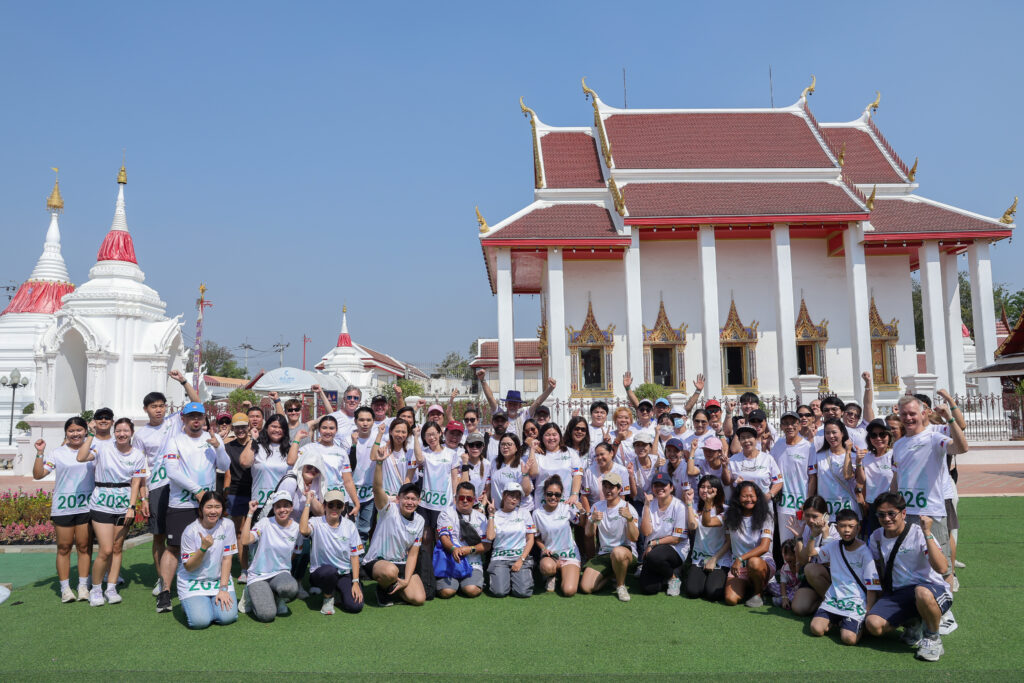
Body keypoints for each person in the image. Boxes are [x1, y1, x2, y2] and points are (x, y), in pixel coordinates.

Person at [159, 402, 230, 614]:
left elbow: (225, 466)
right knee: (173, 547)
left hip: (207, 506)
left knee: (206, 546)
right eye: (191, 416)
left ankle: (200, 586)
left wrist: (218, 446)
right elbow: (171, 471)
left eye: (199, 416)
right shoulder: (174, 441)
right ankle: (164, 591)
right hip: (181, 503)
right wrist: (197, 490)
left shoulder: (212, 440)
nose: (196, 420)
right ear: (184, 419)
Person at [865, 492, 953, 662]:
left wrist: (927, 532)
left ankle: (933, 638)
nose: (887, 518)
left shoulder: (919, 533)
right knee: (873, 625)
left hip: (930, 588)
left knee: (921, 592)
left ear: (903, 513)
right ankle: (914, 623)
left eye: (892, 514)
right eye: (881, 514)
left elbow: (942, 567)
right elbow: (877, 570)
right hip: (900, 593)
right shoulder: (876, 537)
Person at [134, 369, 198, 599]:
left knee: (185, 533)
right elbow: (140, 469)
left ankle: (185, 574)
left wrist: (183, 381)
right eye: (154, 406)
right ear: (146, 410)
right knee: (159, 535)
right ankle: (163, 579)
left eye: (161, 405)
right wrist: (143, 496)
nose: (158, 409)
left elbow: (196, 403)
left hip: (180, 483)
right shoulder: (141, 435)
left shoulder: (174, 421)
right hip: (157, 487)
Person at [891, 394, 966, 592]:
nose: (908, 418)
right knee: (913, 562)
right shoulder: (898, 445)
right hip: (906, 513)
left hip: (931, 512)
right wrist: (893, 506)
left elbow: (961, 447)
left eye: (913, 413)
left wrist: (950, 418)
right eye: (904, 414)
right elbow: (898, 479)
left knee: (943, 567)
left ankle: (945, 613)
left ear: (923, 413)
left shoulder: (934, 437)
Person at [78, 415, 145, 606]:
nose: (122, 434)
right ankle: (96, 589)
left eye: (125, 431)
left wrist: (132, 507)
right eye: (118, 431)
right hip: (101, 503)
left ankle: (111, 587)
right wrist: (91, 434)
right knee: (105, 549)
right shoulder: (102, 447)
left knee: (117, 548)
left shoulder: (138, 455)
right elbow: (81, 457)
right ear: (114, 432)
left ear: (131, 433)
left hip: (124, 505)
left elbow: (135, 483)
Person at [33, 417, 95, 603]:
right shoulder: (57, 453)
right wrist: (40, 453)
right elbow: (38, 475)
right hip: (63, 507)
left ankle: (83, 586)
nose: (75, 434)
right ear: (66, 433)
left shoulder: (94, 450)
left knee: (84, 547)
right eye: (71, 431)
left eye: (79, 430)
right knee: (64, 547)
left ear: (85, 431)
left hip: (86, 505)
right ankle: (65, 588)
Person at [364, 446, 426, 607]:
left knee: (418, 599)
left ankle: (394, 586)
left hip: (401, 563)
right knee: (390, 572)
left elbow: (413, 554)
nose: (410, 502)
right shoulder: (389, 510)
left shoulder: (420, 520)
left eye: (414, 499)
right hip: (379, 562)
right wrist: (379, 463)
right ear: (398, 499)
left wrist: (406, 580)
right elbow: (377, 489)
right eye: (406, 498)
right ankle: (382, 589)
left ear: (419, 502)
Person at [809, 508, 880, 645]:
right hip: (834, 599)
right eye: (842, 526)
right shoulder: (833, 546)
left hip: (856, 602)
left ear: (858, 528)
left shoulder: (865, 552)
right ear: (837, 527)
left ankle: (852, 625)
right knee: (816, 629)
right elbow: (811, 552)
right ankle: (840, 621)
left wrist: (868, 612)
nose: (847, 530)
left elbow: (872, 586)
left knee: (848, 639)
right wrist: (814, 534)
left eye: (851, 526)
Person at [411, 420, 462, 599]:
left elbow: (455, 477)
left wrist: (455, 498)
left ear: (440, 433)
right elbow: (418, 459)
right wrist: (416, 437)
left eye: (434, 434)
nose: (431, 438)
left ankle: (445, 573)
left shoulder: (451, 454)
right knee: (426, 538)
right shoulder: (424, 452)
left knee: (443, 538)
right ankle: (428, 574)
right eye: (428, 435)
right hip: (426, 503)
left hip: (445, 504)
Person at [704, 480, 773, 607]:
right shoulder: (730, 515)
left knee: (754, 562)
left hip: (759, 563)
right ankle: (749, 586)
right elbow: (707, 522)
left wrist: (740, 559)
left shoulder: (765, 517)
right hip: (738, 567)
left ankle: (759, 593)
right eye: (745, 496)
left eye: (752, 496)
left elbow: (764, 547)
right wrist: (708, 502)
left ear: (757, 497)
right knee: (730, 600)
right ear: (737, 497)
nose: (749, 499)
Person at [176, 492, 238, 629]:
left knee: (227, 617)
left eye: (217, 507)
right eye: (209, 507)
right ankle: (191, 604)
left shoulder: (228, 525)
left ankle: (206, 604)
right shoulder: (190, 531)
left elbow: (227, 559)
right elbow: (189, 567)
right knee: (200, 622)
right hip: (193, 581)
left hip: (217, 581)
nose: (213, 511)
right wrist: (203, 549)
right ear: (201, 509)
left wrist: (223, 589)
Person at [239, 492, 300, 621]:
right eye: (278, 506)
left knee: (290, 588)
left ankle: (275, 595)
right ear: (274, 508)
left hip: (280, 573)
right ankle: (250, 593)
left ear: (291, 507)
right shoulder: (265, 523)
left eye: (286, 505)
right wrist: (250, 513)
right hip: (258, 575)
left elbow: (295, 553)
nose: (282, 509)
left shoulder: (297, 528)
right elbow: (245, 541)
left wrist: (283, 566)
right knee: (267, 615)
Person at [302, 489, 364, 615]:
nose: (334, 509)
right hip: (321, 573)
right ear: (324, 506)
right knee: (330, 572)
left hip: (343, 573)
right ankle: (328, 598)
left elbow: (354, 556)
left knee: (355, 606)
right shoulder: (316, 522)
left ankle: (338, 590)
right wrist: (308, 502)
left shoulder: (350, 526)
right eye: (330, 505)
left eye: (339, 505)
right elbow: (303, 530)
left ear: (343, 508)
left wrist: (355, 582)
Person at [580, 472, 639, 602]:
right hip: (604, 554)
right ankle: (612, 573)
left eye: (611, 487)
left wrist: (629, 519)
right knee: (586, 587)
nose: (608, 490)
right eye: (605, 486)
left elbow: (634, 538)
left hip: (625, 552)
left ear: (619, 489)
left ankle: (620, 586)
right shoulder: (597, 506)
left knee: (617, 552)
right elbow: (589, 534)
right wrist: (591, 521)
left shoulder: (628, 508)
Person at [638, 472, 691, 596]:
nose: (660, 488)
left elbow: (677, 538)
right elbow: (646, 532)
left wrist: (653, 543)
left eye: (664, 485)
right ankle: (667, 573)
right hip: (653, 551)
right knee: (648, 589)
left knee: (654, 557)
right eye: (656, 485)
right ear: (652, 488)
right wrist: (646, 506)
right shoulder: (649, 505)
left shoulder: (679, 507)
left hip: (675, 548)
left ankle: (673, 578)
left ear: (671, 487)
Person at [436, 482, 490, 598]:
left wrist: (470, 549)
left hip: (472, 563)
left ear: (474, 500)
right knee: (446, 592)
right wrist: (453, 549)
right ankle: (456, 583)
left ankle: (467, 583)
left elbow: (486, 545)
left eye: (469, 498)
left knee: (471, 590)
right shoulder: (446, 513)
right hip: (450, 561)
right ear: (455, 498)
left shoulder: (481, 518)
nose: (465, 501)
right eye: (461, 497)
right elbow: (444, 537)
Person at [788, 495, 840, 616]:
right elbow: (803, 561)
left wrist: (821, 534)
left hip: (833, 577)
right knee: (798, 608)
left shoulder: (834, 529)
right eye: (807, 515)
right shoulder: (806, 528)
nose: (810, 520)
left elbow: (828, 562)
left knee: (810, 569)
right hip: (812, 575)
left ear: (825, 515)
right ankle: (823, 601)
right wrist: (799, 538)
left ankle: (836, 606)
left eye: (815, 516)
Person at [299, 415, 359, 516]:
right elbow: (291, 461)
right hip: (317, 501)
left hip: (338, 499)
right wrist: (297, 439)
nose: (328, 431)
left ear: (336, 430)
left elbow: (348, 480)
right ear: (319, 430)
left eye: (331, 428)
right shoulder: (308, 448)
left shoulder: (341, 452)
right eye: (324, 428)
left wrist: (356, 503)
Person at [533, 475, 583, 596]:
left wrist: (582, 512)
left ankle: (563, 573)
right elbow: (536, 537)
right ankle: (552, 575)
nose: (553, 497)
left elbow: (581, 523)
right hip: (551, 556)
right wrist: (543, 549)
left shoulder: (566, 508)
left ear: (561, 495)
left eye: (557, 494)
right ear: (544, 494)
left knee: (569, 591)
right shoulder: (537, 513)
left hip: (569, 554)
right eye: (549, 494)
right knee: (546, 567)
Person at [771, 411, 816, 542]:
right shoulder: (778, 445)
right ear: (781, 427)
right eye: (786, 424)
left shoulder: (808, 447)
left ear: (800, 425)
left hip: (801, 504)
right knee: (786, 544)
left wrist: (808, 502)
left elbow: (812, 477)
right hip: (783, 504)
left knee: (803, 542)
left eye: (793, 423)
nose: (789, 427)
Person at [240, 414, 300, 510]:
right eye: (274, 426)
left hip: (283, 506)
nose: (277, 430)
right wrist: (253, 439)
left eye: (281, 427)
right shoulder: (258, 447)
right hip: (260, 504)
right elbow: (244, 462)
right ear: (266, 428)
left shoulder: (290, 450)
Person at [684, 475, 730, 601]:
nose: (705, 490)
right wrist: (688, 504)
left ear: (717, 490)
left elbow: (728, 540)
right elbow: (693, 526)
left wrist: (714, 559)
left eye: (709, 487)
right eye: (702, 487)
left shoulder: (726, 511)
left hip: (720, 558)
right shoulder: (694, 508)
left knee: (712, 593)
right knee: (692, 591)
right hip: (700, 557)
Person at [486, 483, 535, 598]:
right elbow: (490, 537)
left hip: (519, 558)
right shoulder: (496, 515)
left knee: (523, 592)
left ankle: (518, 578)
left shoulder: (524, 513)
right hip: (499, 558)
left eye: (517, 497)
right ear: (504, 495)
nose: (514, 499)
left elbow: (530, 539)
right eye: (511, 495)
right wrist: (491, 515)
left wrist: (521, 560)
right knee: (499, 592)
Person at [222, 413, 254, 583]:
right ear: (233, 428)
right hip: (236, 491)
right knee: (240, 531)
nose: (241, 430)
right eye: (237, 427)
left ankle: (256, 566)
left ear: (249, 426)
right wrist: (226, 491)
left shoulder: (256, 443)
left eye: (243, 426)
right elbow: (226, 471)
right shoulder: (228, 447)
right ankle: (244, 569)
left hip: (255, 491)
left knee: (257, 531)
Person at [477, 369, 556, 435]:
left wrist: (550, 389)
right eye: (510, 404)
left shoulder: (524, 414)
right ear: (506, 404)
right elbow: (490, 399)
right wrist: (483, 380)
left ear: (520, 406)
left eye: (515, 404)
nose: (512, 406)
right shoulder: (501, 415)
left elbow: (538, 402)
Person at [812, 419, 860, 520]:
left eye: (834, 432)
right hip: (826, 511)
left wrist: (848, 452)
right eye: (827, 433)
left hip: (847, 509)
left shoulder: (854, 456)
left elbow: (847, 475)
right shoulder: (818, 456)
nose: (831, 436)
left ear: (842, 433)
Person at [529, 423, 582, 510]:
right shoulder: (537, 454)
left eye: (554, 435)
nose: (551, 438)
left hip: (567, 501)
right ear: (542, 437)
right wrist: (532, 449)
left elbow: (577, 475)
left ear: (560, 436)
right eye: (547, 435)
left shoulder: (570, 452)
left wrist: (574, 494)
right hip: (543, 503)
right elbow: (533, 473)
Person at [858, 418, 895, 537]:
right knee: (875, 541)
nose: (878, 438)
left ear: (889, 436)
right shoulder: (866, 457)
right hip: (872, 506)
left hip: (891, 505)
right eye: (874, 435)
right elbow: (861, 480)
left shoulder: (894, 455)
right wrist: (858, 462)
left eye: (882, 434)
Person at [728, 425, 782, 498]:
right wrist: (737, 485)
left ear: (755, 439)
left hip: (764, 505)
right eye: (743, 438)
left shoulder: (767, 459)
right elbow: (729, 483)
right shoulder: (733, 460)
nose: (746, 440)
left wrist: (769, 495)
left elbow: (778, 481)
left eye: (749, 437)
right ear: (739, 441)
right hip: (741, 505)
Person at [487, 433, 534, 510]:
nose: (505, 447)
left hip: (519, 511)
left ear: (516, 448)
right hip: (499, 511)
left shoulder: (521, 465)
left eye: (509, 444)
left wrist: (525, 474)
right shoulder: (494, 462)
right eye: (502, 444)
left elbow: (526, 492)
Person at [459, 432, 490, 501]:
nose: (475, 448)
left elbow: (488, 490)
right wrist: (465, 464)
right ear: (467, 446)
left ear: (483, 447)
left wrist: (481, 507)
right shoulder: (460, 462)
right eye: (471, 445)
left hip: (478, 505)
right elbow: (463, 487)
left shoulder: (487, 464)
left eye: (478, 445)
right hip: (463, 502)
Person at [775, 539, 799, 610]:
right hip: (790, 589)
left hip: (800, 590)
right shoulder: (785, 567)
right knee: (772, 586)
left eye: (791, 554)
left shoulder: (801, 565)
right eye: (785, 554)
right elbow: (783, 584)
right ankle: (786, 599)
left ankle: (783, 600)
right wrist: (784, 597)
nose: (788, 557)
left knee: (796, 593)